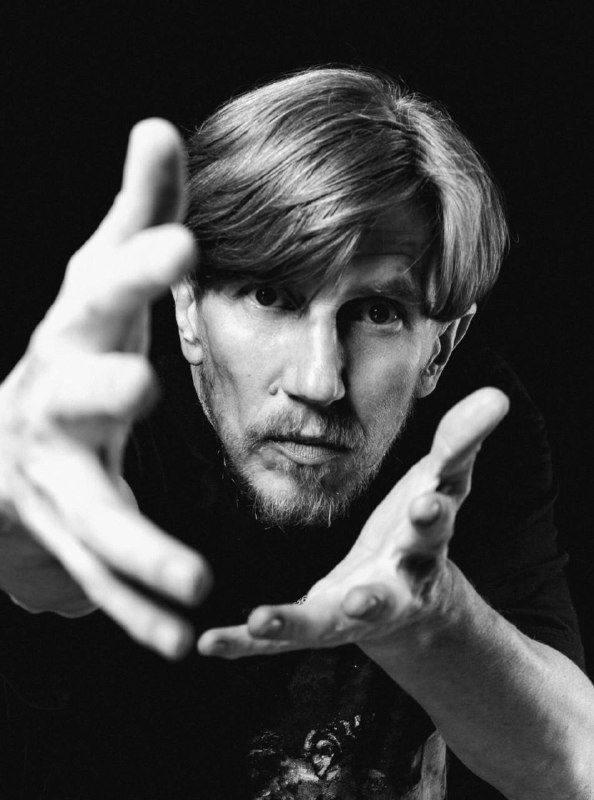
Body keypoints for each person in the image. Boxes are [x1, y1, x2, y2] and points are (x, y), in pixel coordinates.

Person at [0, 66, 592, 799]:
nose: (319, 381)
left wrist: (433, 622)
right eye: (270, 295)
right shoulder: (114, 410)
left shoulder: (470, 427)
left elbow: (577, 765)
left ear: (441, 348)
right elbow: (53, 554)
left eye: (376, 312)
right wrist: (30, 532)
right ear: (187, 308)